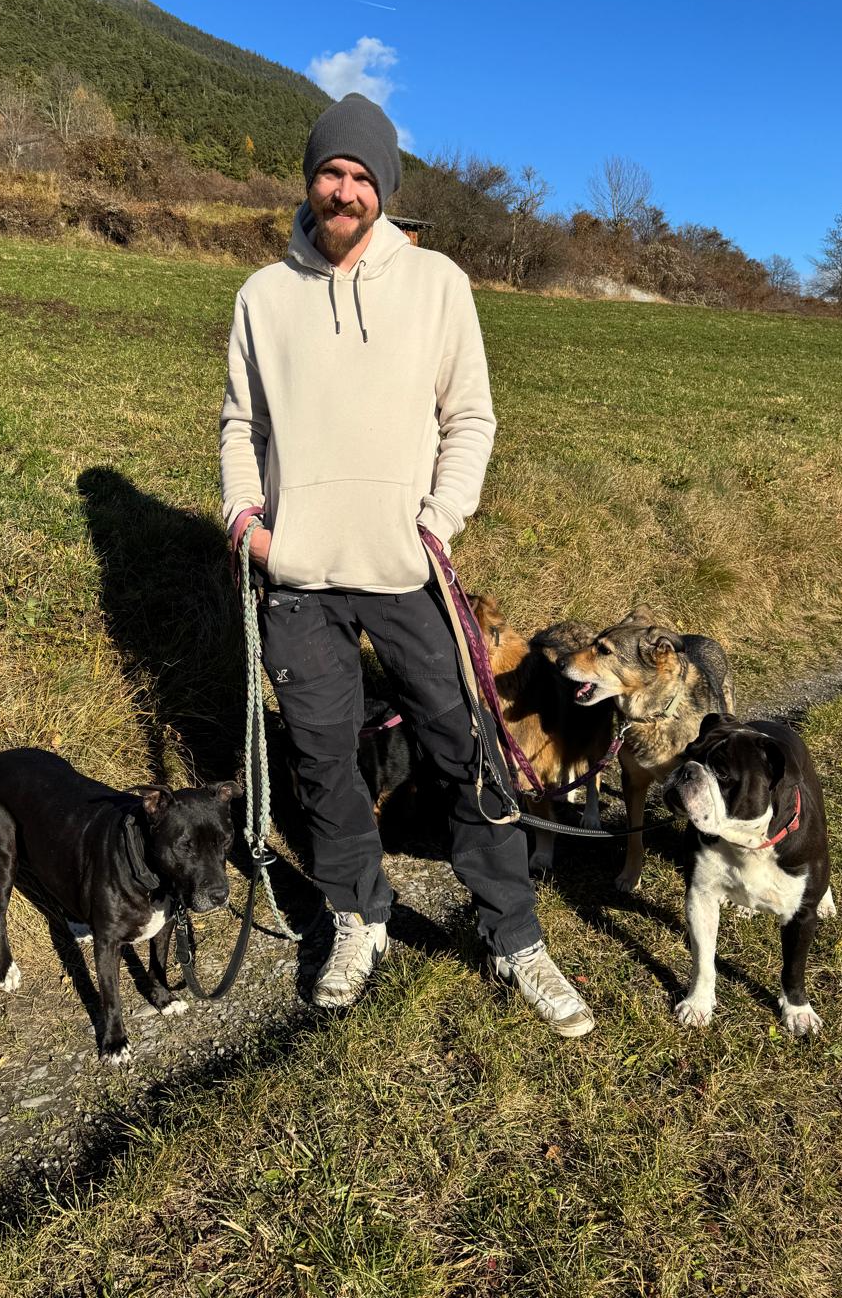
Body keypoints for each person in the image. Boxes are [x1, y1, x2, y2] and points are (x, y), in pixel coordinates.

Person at [219, 92, 593, 1036]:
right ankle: (356, 916)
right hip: (297, 575)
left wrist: (437, 520)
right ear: (310, 179)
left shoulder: (439, 287)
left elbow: (471, 418)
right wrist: (245, 522)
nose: (343, 190)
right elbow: (240, 425)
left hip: (406, 570)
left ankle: (513, 937)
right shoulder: (263, 296)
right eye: (330, 171)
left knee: (463, 748)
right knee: (321, 757)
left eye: (361, 176)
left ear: (384, 188)